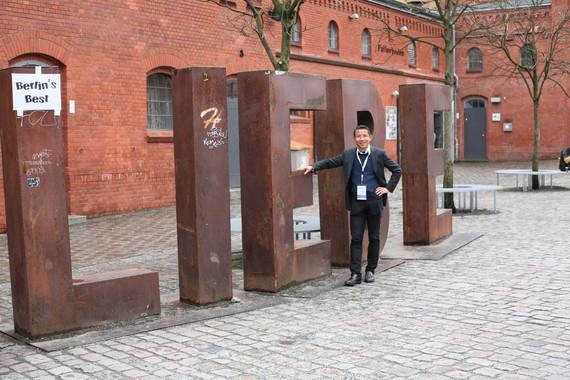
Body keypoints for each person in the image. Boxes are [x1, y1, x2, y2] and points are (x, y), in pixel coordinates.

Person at [300, 125, 401, 286]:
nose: (361, 139)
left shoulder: (379, 154)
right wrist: (313, 167)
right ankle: (355, 274)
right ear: (355, 139)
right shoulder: (348, 155)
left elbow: (397, 170)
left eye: (364, 136)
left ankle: (370, 270)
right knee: (356, 238)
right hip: (356, 203)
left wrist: (388, 188)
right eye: (358, 136)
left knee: (374, 237)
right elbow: (330, 162)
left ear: (370, 137)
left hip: (374, 201)